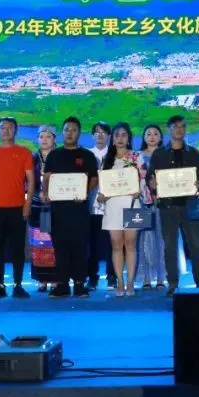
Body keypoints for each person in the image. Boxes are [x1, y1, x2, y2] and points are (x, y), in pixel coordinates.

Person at [147, 115, 199, 296]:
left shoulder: (194, 153)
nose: (179, 129)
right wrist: (153, 185)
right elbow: (150, 177)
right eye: (175, 126)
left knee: (196, 246)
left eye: (182, 126)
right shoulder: (159, 154)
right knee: (170, 247)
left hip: (191, 206)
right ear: (169, 129)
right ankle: (172, 283)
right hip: (168, 207)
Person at [0, 117, 34, 300]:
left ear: (15, 131)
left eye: (10, 127)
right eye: (3, 127)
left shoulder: (24, 152)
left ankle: (18, 284)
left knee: (18, 248)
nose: (6, 130)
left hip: (18, 207)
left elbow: (31, 180)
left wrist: (28, 203)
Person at [47, 116, 99, 297]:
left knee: (79, 246)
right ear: (62, 133)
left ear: (79, 133)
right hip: (58, 209)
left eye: (74, 130)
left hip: (79, 209)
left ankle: (79, 283)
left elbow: (94, 179)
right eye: (67, 130)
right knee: (60, 246)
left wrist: (84, 192)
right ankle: (61, 284)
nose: (70, 133)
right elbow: (47, 178)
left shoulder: (87, 155)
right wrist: (45, 192)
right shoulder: (54, 155)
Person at [98, 122, 146, 297]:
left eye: (124, 135)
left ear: (129, 138)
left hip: (132, 204)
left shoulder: (136, 156)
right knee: (116, 245)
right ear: (112, 139)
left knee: (131, 244)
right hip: (113, 206)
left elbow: (143, 178)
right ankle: (119, 282)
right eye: (117, 135)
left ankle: (131, 282)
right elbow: (103, 183)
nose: (120, 138)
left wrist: (139, 190)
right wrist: (102, 196)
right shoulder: (107, 159)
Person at [86, 121, 116, 290]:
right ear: (92, 136)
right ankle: (92, 278)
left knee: (113, 243)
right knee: (92, 244)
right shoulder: (86, 155)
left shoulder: (115, 155)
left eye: (103, 132)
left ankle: (112, 277)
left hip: (112, 206)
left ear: (109, 136)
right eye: (96, 132)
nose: (100, 135)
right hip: (91, 206)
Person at [28, 126, 59, 292]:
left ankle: (55, 278)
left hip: (56, 205)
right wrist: (36, 192)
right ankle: (41, 279)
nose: (45, 140)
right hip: (36, 205)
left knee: (54, 242)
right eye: (41, 137)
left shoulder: (60, 156)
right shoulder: (32, 158)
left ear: (54, 139)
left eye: (48, 136)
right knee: (38, 242)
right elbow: (25, 180)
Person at [136, 124, 166, 290]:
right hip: (143, 202)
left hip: (163, 203)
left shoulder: (166, 154)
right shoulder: (137, 156)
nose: (152, 136)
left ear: (161, 137)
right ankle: (146, 278)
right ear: (144, 137)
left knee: (162, 241)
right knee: (144, 242)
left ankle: (161, 277)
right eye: (149, 134)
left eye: (156, 133)